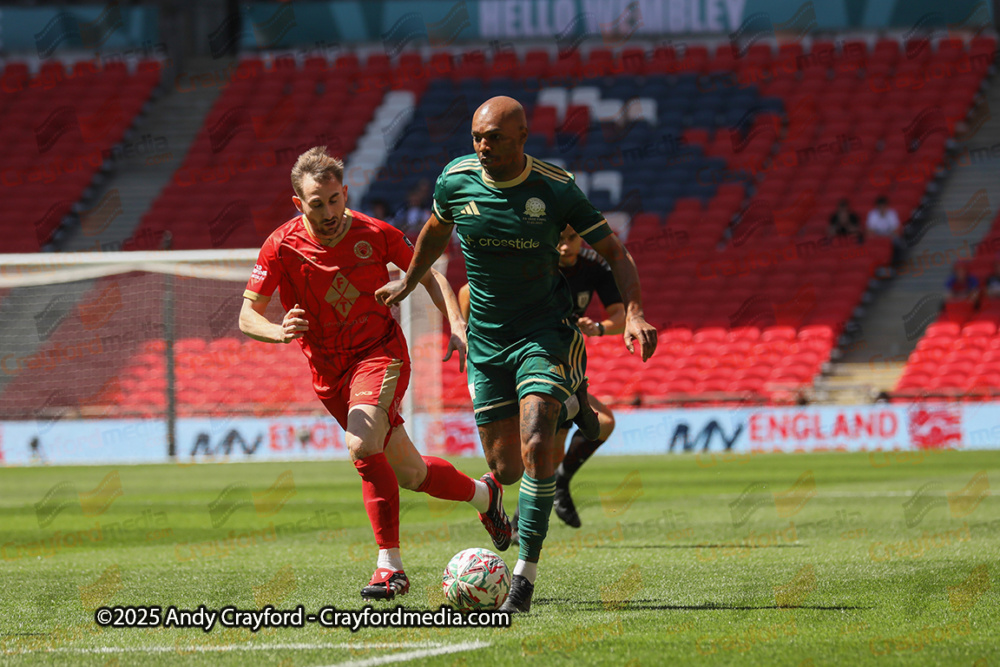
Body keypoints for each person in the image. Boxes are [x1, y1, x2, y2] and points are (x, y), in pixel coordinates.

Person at [376, 96, 657, 613]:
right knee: (505, 469)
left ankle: (524, 580)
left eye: (496, 138)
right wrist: (407, 284)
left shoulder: (555, 188)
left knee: (535, 443)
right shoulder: (455, 179)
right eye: (478, 137)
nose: (484, 147)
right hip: (485, 342)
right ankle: (574, 406)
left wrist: (634, 312)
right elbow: (433, 236)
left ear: (522, 137)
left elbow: (615, 252)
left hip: (542, 333)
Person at [239, 147, 505, 601]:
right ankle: (486, 497)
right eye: (316, 203)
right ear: (297, 203)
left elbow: (432, 276)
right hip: (328, 373)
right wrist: (277, 330)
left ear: (345, 192)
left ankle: (391, 568)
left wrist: (458, 326)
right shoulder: (281, 245)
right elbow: (247, 315)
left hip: (379, 356)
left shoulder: (375, 233)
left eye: (334, 199)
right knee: (411, 473)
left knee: (361, 445)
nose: (328, 212)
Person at [458, 224, 624, 530]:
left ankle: (549, 494)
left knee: (579, 434)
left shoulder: (594, 267)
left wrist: (599, 328)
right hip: (527, 360)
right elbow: (468, 291)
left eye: (571, 238)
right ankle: (535, 506)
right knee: (534, 451)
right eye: (558, 239)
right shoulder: (533, 262)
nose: (564, 246)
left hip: (562, 363)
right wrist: (466, 332)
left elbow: (620, 316)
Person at [865, 195, 903, 268]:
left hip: (890, 236)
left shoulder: (892, 213)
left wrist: (887, 237)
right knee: (868, 241)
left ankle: (895, 265)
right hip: (877, 237)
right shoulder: (872, 214)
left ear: (886, 206)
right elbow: (869, 231)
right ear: (877, 207)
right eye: (880, 207)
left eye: (883, 207)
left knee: (897, 241)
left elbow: (896, 229)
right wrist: (880, 237)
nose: (882, 209)